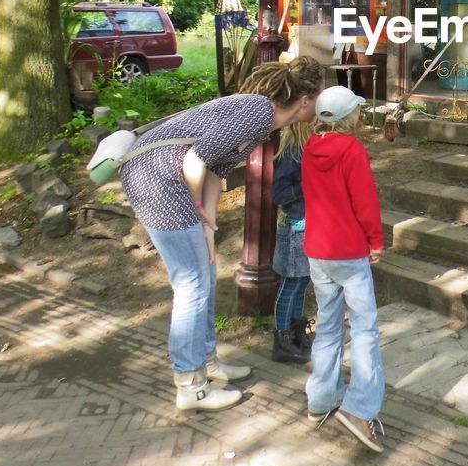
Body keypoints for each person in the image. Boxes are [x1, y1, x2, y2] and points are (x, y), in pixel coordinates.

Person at [120, 57, 322, 412]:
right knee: (192, 284)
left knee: (204, 277)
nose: (321, 104)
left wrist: (208, 224)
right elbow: (195, 161)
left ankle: (208, 362)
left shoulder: (264, 122)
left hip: (163, 177)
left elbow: (215, 168)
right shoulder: (260, 111)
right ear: (304, 100)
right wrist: (197, 210)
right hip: (158, 179)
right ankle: (190, 384)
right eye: (318, 97)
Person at [302, 84, 387, 452]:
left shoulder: (310, 148)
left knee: (328, 325)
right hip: (348, 251)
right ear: (347, 118)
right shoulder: (352, 150)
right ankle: (360, 408)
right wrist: (376, 240)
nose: (360, 115)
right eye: (356, 111)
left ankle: (320, 400)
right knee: (365, 328)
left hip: (317, 250)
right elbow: (364, 200)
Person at [271, 121, 314, 364]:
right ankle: (282, 338)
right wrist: (307, 183)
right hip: (293, 226)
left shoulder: (304, 150)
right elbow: (279, 193)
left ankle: (297, 331)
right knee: (290, 283)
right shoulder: (291, 153)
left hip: (306, 225)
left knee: (301, 281)